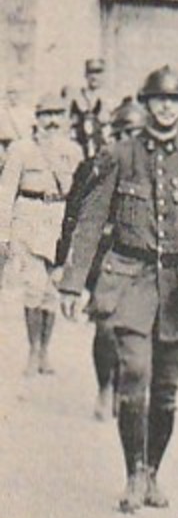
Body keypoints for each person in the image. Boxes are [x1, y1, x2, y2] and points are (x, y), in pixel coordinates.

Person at [57, 66, 178, 512]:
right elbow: (91, 221)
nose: (166, 107)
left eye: (174, 101)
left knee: (168, 390)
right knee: (135, 375)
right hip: (128, 281)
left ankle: (153, 472)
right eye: (158, 100)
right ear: (146, 104)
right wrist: (73, 284)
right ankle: (133, 473)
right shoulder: (118, 155)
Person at [59, 98, 148, 419]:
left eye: (136, 133)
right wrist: (68, 270)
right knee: (106, 329)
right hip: (105, 259)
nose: (129, 140)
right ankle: (105, 387)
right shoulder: (95, 166)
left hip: (143, 264)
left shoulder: (155, 169)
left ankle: (129, 388)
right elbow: (75, 219)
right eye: (123, 133)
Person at [0, 93, 84, 375]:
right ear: (37, 118)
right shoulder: (22, 149)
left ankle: (45, 351)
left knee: (52, 289)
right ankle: (33, 349)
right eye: (46, 115)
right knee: (34, 286)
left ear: (65, 119)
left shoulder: (73, 151)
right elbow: (6, 192)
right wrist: (3, 234)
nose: (51, 121)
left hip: (58, 218)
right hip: (29, 216)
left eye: (57, 115)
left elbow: (79, 194)